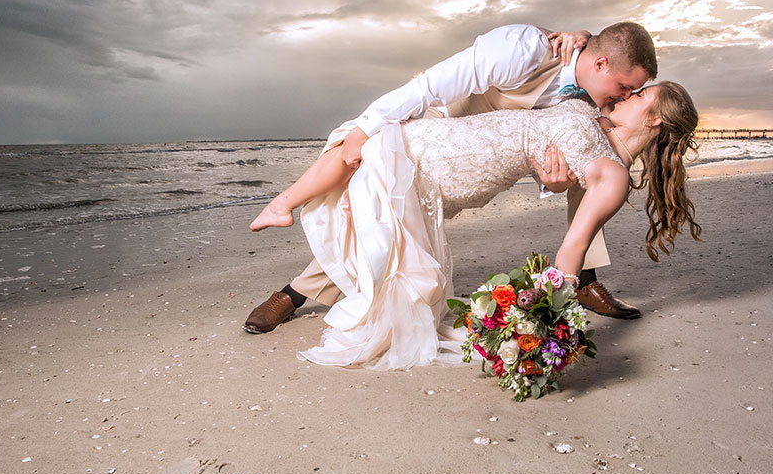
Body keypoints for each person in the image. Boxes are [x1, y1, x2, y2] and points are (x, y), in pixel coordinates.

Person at [250, 81, 700, 369]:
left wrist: (542, 320)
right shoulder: (592, 115)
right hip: (440, 137)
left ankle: (285, 231)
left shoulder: (613, 175)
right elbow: (568, 92)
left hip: (446, 169)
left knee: (363, 201)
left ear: (655, 118)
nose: (628, 94)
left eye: (641, 96)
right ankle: (285, 221)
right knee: (356, 187)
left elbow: (573, 246)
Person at [245, 22, 658, 334]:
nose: (623, 98)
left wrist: (552, 185)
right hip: (450, 130)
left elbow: (551, 151)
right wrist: (365, 127)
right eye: (624, 87)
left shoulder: (592, 94)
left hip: (493, 156)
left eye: (632, 93)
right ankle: (296, 292)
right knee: (379, 214)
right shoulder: (525, 49)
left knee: (595, 159)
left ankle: (583, 278)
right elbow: (429, 85)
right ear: (599, 62)